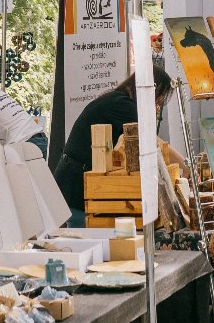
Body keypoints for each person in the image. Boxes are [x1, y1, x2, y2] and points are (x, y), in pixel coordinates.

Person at [52, 59, 184, 224]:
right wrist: (185, 167)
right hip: (77, 185)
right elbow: (151, 141)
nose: (158, 105)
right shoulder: (122, 104)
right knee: (87, 238)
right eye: (158, 99)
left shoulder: (117, 99)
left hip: (79, 183)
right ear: (149, 88)